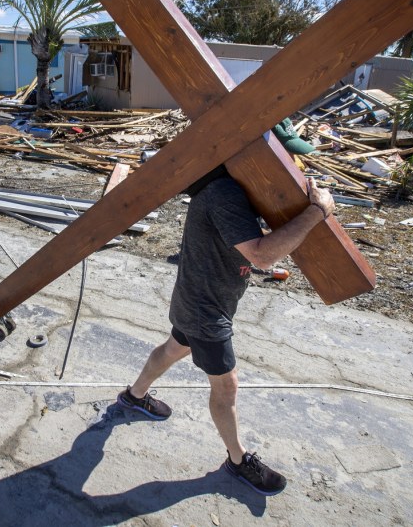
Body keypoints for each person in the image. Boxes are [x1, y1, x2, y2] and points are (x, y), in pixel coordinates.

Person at [116, 166, 335, 496]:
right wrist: (317, 212)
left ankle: (133, 396)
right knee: (226, 384)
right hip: (206, 309)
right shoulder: (225, 195)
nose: (288, 161)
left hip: (200, 298)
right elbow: (262, 256)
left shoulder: (236, 191)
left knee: (173, 348)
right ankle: (237, 460)